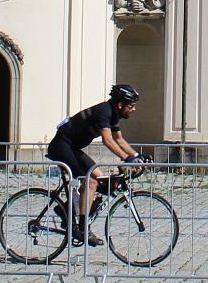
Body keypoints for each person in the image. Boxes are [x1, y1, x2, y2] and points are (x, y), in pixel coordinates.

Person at [48, 84, 147, 246]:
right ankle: (82, 229)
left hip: (72, 147)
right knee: (91, 181)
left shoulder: (114, 115)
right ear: (120, 104)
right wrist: (126, 159)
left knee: (101, 180)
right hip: (61, 146)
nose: (134, 109)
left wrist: (136, 156)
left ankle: (66, 209)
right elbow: (107, 140)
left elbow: (119, 139)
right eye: (131, 106)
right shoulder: (105, 111)